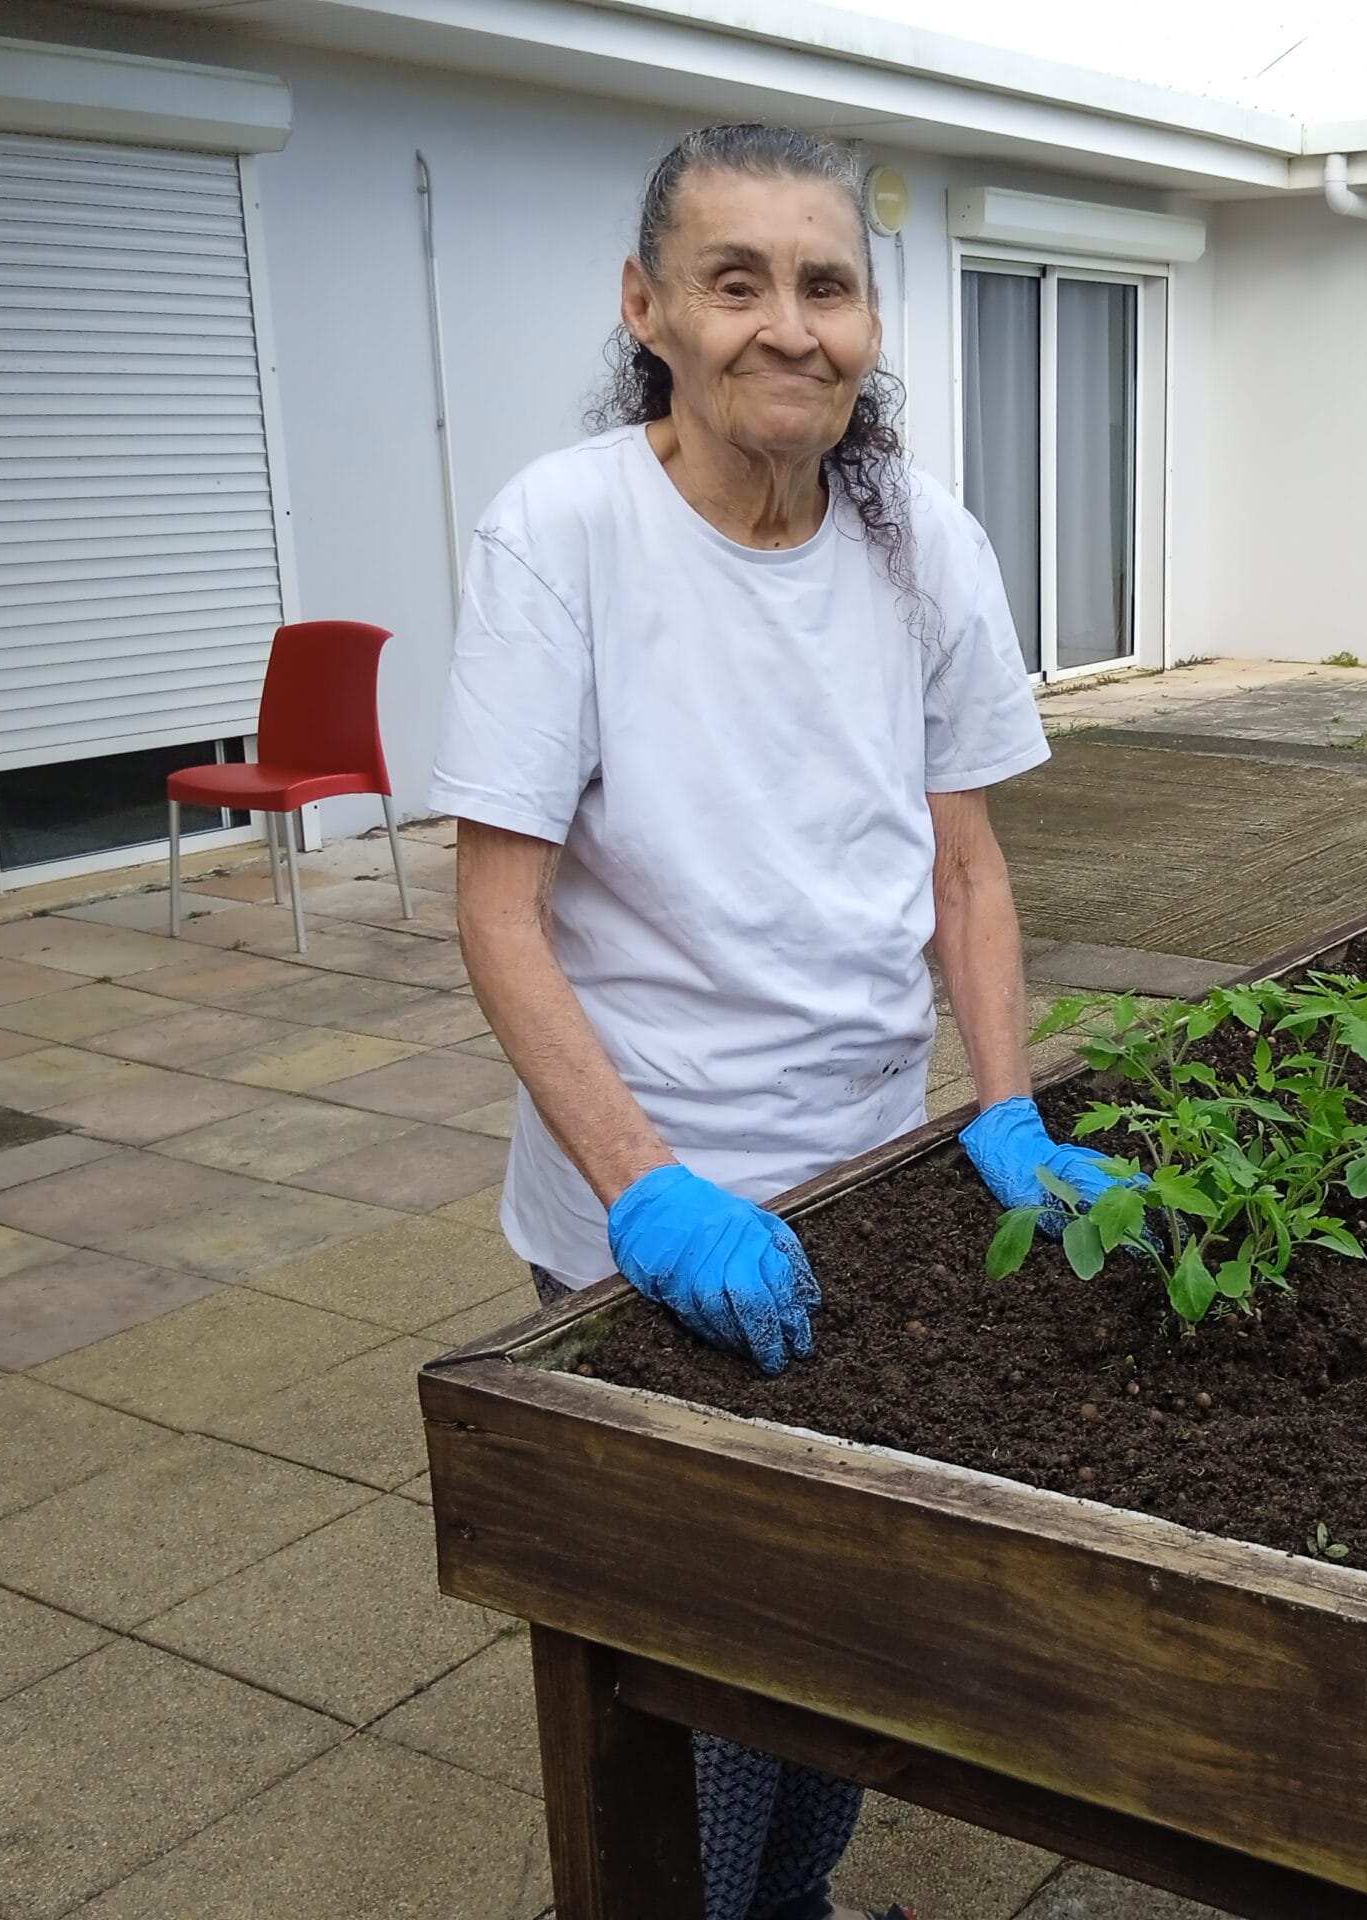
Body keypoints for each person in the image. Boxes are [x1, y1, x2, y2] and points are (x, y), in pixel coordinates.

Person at [429, 122, 1127, 1920]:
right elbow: (498, 911)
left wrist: (1004, 1109)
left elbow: (965, 872)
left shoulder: (922, 543)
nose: (788, 325)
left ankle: (788, 1906)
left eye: (826, 284)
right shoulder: (564, 534)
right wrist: (648, 1191)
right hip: (638, 1215)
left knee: (843, 1640)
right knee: (700, 1675)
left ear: (871, 319)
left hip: (869, 1189)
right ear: (649, 308)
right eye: (736, 282)